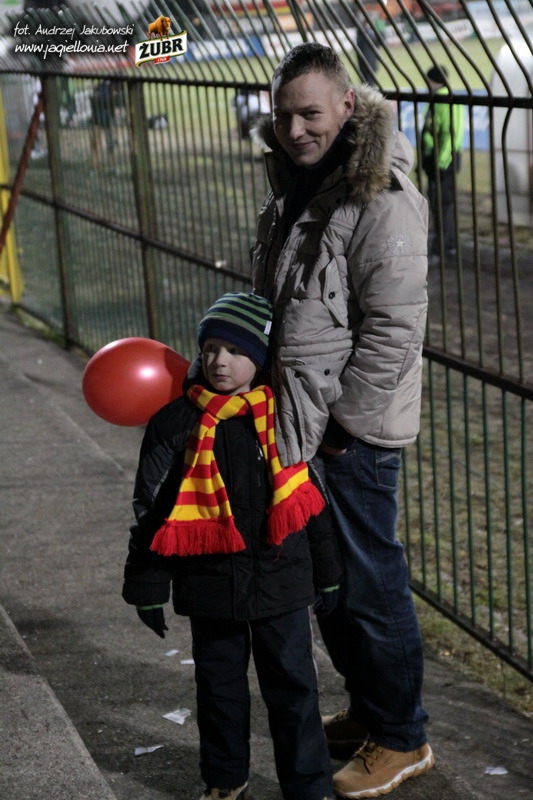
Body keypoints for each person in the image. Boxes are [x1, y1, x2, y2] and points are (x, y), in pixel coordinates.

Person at [250, 43, 433, 798]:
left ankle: (403, 736)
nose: (295, 129)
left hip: (349, 434)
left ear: (347, 107)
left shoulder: (380, 198)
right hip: (299, 422)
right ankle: (369, 709)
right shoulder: (298, 184)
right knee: (329, 585)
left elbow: (394, 330)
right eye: (283, 116)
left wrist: (343, 429)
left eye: (310, 114)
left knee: (370, 585)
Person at [122, 291, 343, 800]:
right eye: (211, 349)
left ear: (260, 359)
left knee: (294, 690)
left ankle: (308, 787)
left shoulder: (284, 418)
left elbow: (312, 502)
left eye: (236, 351)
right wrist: (147, 586)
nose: (220, 361)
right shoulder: (177, 424)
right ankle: (225, 780)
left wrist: (329, 571)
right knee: (219, 691)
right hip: (210, 584)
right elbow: (154, 512)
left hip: (281, 581)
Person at [421, 64, 465, 262]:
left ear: (434, 81)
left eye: (428, 80)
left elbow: (450, 134)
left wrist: (441, 162)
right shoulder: (439, 99)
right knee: (442, 204)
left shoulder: (445, 100)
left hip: (442, 162)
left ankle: (442, 249)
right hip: (438, 161)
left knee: (442, 205)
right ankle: (448, 246)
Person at [355, 16, 381, 86]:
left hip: (369, 61)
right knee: (368, 82)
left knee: (369, 81)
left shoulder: (370, 33)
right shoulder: (362, 33)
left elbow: (378, 43)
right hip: (366, 62)